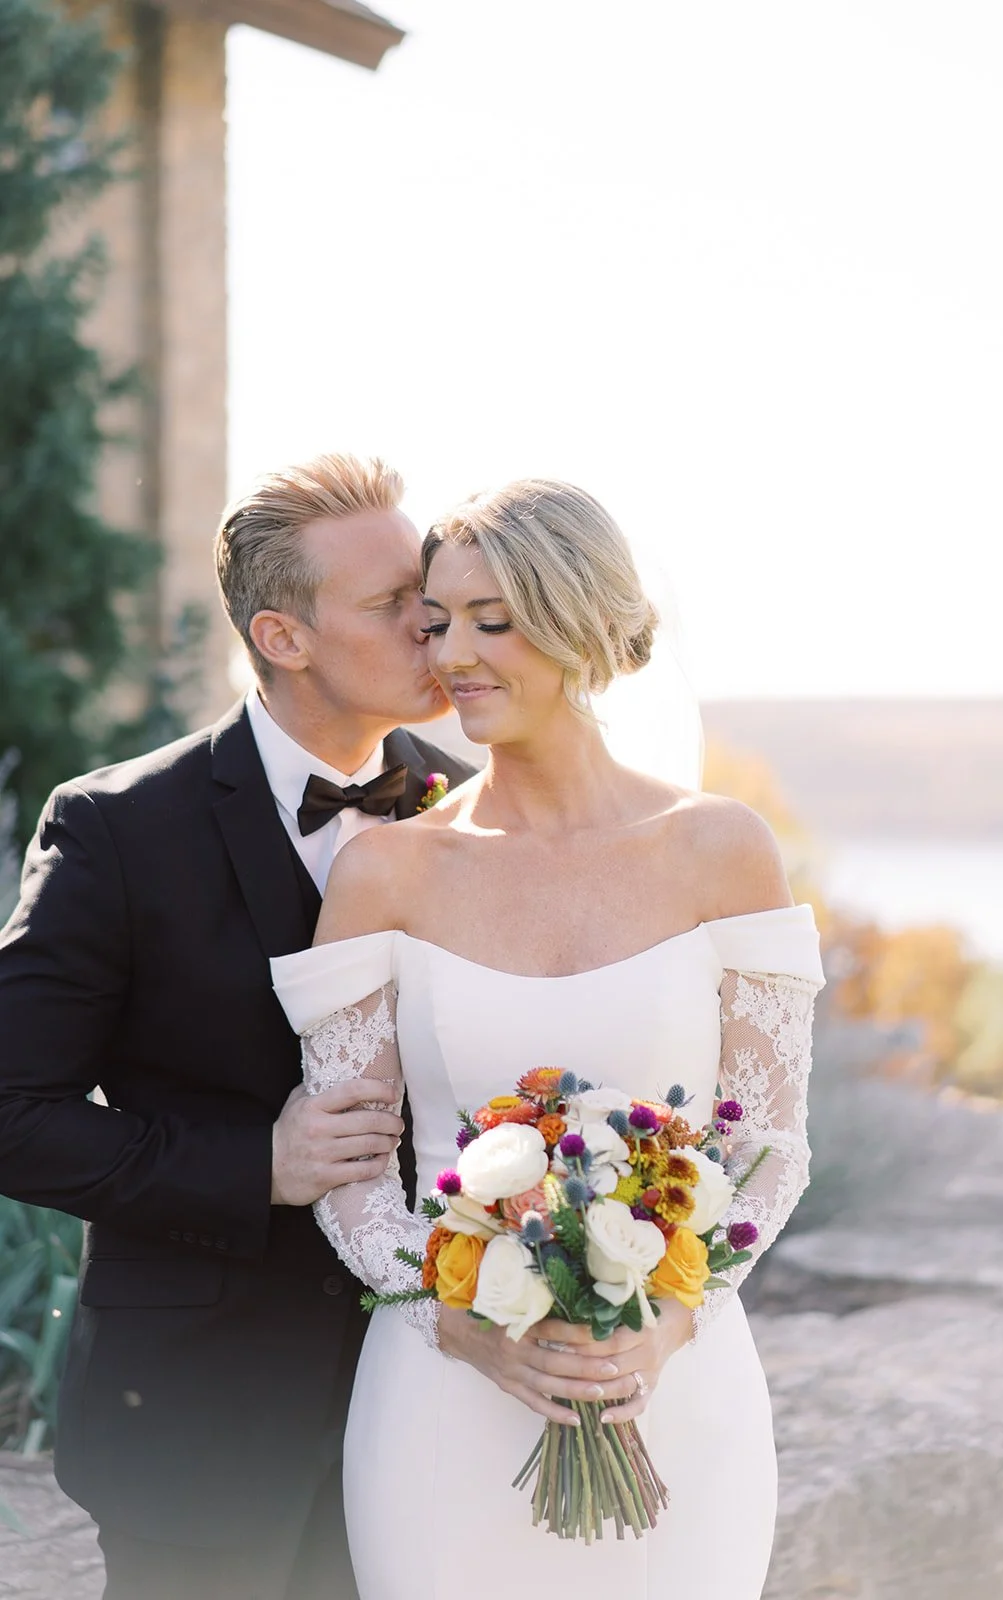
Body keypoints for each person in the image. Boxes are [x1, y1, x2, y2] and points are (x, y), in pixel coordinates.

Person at [271, 479, 826, 1599]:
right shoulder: (385, 871)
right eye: (437, 622)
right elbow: (350, 1171)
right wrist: (461, 1321)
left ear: (579, 622)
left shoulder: (720, 848)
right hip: (442, 1397)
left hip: (675, 1388)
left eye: (493, 621)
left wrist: (665, 1322)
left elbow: (767, 1144)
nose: (452, 656)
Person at [0, 453, 475, 1599]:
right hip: (195, 1423)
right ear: (282, 636)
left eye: (429, 593)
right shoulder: (115, 829)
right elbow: (10, 1111)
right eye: (391, 604)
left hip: (434, 1404)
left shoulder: (475, 814)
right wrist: (253, 1164)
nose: (432, 625)